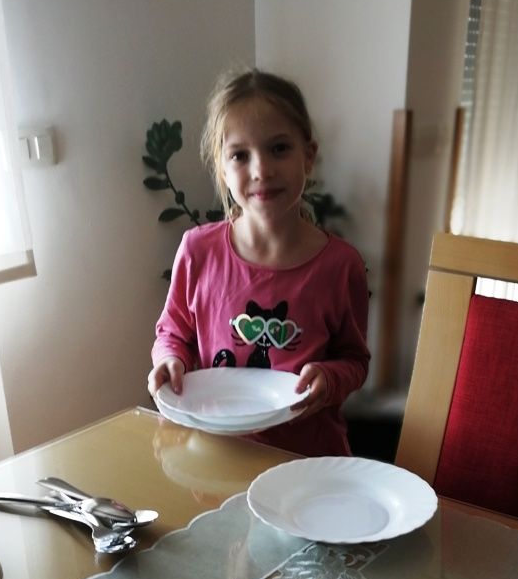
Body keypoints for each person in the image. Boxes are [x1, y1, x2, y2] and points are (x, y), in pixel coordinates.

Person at [148, 67, 370, 457]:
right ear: (222, 167)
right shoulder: (198, 251)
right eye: (240, 155)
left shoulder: (340, 266)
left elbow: (354, 361)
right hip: (218, 453)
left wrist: (329, 377)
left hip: (307, 461)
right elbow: (173, 333)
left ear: (309, 156)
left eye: (279, 148)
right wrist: (169, 360)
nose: (261, 170)